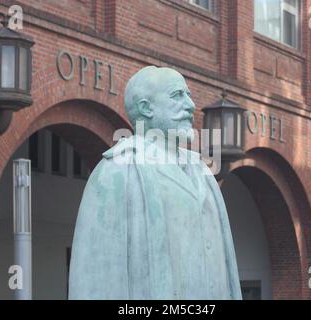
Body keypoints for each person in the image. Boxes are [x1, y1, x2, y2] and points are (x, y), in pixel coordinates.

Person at [68, 66, 242, 299]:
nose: (191, 105)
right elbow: (93, 281)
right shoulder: (116, 171)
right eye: (177, 95)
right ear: (145, 108)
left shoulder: (203, 172)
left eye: (188, 95)